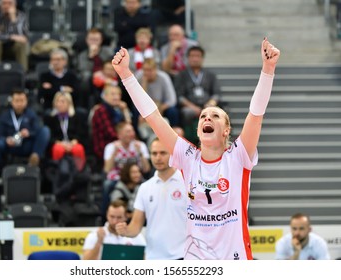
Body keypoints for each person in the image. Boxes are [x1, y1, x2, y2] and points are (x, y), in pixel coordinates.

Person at [112, 37, 280, 260]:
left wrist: (268, 70)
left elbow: (256, 115)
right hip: (196, 263)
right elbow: (153, 117)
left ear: (226, 130)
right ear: (199, 129)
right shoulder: (187, 156)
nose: (207, 117)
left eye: (215, 115)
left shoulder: (238, 156)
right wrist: (126, 75)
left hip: (234, 260)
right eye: (203, 116)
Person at [115, 138, 186, 259]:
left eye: (163, 153)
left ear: (173, 154)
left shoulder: (188, 183)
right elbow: (136, 226)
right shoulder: (145, 188)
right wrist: (126, 231)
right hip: (154, 258)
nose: (158, 158)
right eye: (154, 153)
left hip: (184, 256)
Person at [0, 89, 50, 181]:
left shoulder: (31, 115)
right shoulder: (4, 115)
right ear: (12, 102)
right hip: (10, 146)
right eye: (17, 100)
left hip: (27, 144)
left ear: (26, 101)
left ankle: (35, 156)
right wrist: (6, 139)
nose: (19, 103)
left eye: (22, 100)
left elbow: (37, 131)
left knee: (45, 130)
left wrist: (29, 133)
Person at [174, 46, 221, 142]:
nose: (195, 59)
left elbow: (216, 93)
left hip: (207, 104)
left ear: (202, 58)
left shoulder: (210, 75)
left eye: (198, 56)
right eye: (192, 56)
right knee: (188, 112)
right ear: (188, 58)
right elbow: (179, 96)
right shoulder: (181, 75)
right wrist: (192, 107)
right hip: (189, 105)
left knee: (216, 113)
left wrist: (210, 104)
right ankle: (190, 140)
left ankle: (216, 140)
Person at [43, 91, 87, 171]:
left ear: (69, 103)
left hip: (73, 142)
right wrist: (59, 143)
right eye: (57, 101)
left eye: (62, 102)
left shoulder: (76, 116)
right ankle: (57, 173)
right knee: (58, 149)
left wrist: (74, 141)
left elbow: (81, 132)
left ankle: (79, 173)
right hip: (58, 143)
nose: (59, 104)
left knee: (78, 149)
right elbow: (50, 135)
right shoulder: (50, 118)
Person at [91, 84, 131, 161]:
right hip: (105, 147)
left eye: (118, 94)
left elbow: (129, 127)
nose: (116, 97)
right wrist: (127, 141)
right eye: (112, 94)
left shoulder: (118, 110)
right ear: (105, 97)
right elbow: (110, 133)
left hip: (120, 142)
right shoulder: (100, 110)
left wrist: (125, 111)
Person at [0, 0, 29, 71]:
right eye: (4, 3)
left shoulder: (21, 16)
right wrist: (10, 37)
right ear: (0, 5)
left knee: (21, 44)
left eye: (10, 3)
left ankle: (22, 72)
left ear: (15, 5)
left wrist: (13, 19)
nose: (6, 6)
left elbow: (22, 37)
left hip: (14, 46)